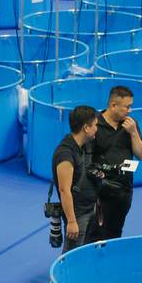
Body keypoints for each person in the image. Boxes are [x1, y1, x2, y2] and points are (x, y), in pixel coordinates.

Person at [92, 87, 142, 241]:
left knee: (115, 232)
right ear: (114, 105)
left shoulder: (131, 124)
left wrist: (133, 132)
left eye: (131, 106)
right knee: (96, 233)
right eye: (127, 107)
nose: (130, 110)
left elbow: (141, 154)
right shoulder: (95, 125)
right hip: (100, 191)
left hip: (124, 189)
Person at [52, 105, 99, 254]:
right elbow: (64, 190)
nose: (97, 128)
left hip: (90, 208)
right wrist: (72, 222)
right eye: (96, 125)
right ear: (86, 127)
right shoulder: (65, 154)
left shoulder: (85, 145)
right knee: (72, 256)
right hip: (78, 215)